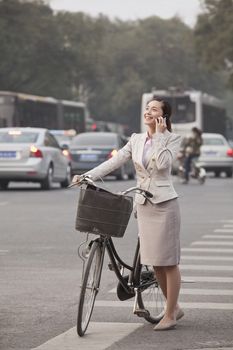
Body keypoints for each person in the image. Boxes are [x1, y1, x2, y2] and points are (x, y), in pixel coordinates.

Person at [73, 97, 183, 331]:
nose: (148, 112)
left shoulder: (172, 139)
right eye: (147, 108)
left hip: (164, 205)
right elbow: (115, 162)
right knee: (155, 263)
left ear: (163, 116)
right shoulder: (136, 139)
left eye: (154, 110)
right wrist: (87, 175)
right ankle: (174, 306)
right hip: (143, 204)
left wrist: (161, 135)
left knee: (168, 262)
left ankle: (171, 314)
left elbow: (163, 165)